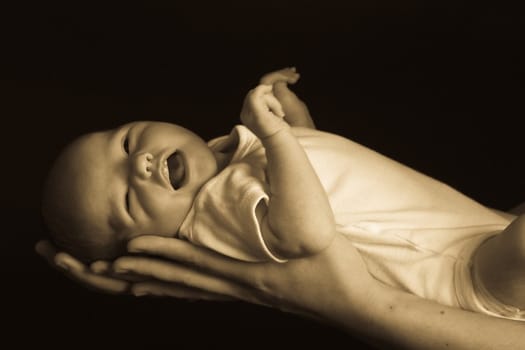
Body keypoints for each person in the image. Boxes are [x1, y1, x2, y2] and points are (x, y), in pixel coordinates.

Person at [40, 68, 524, 321]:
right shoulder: (211, 212)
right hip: (462, 274)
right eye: (127, 197)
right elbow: (307, 233)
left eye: (125, 143)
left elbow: (323, 192)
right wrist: (276, 136)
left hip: (473, 234)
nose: (139, 164)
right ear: (158, 238)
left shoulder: (222, 162)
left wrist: (300, 131)